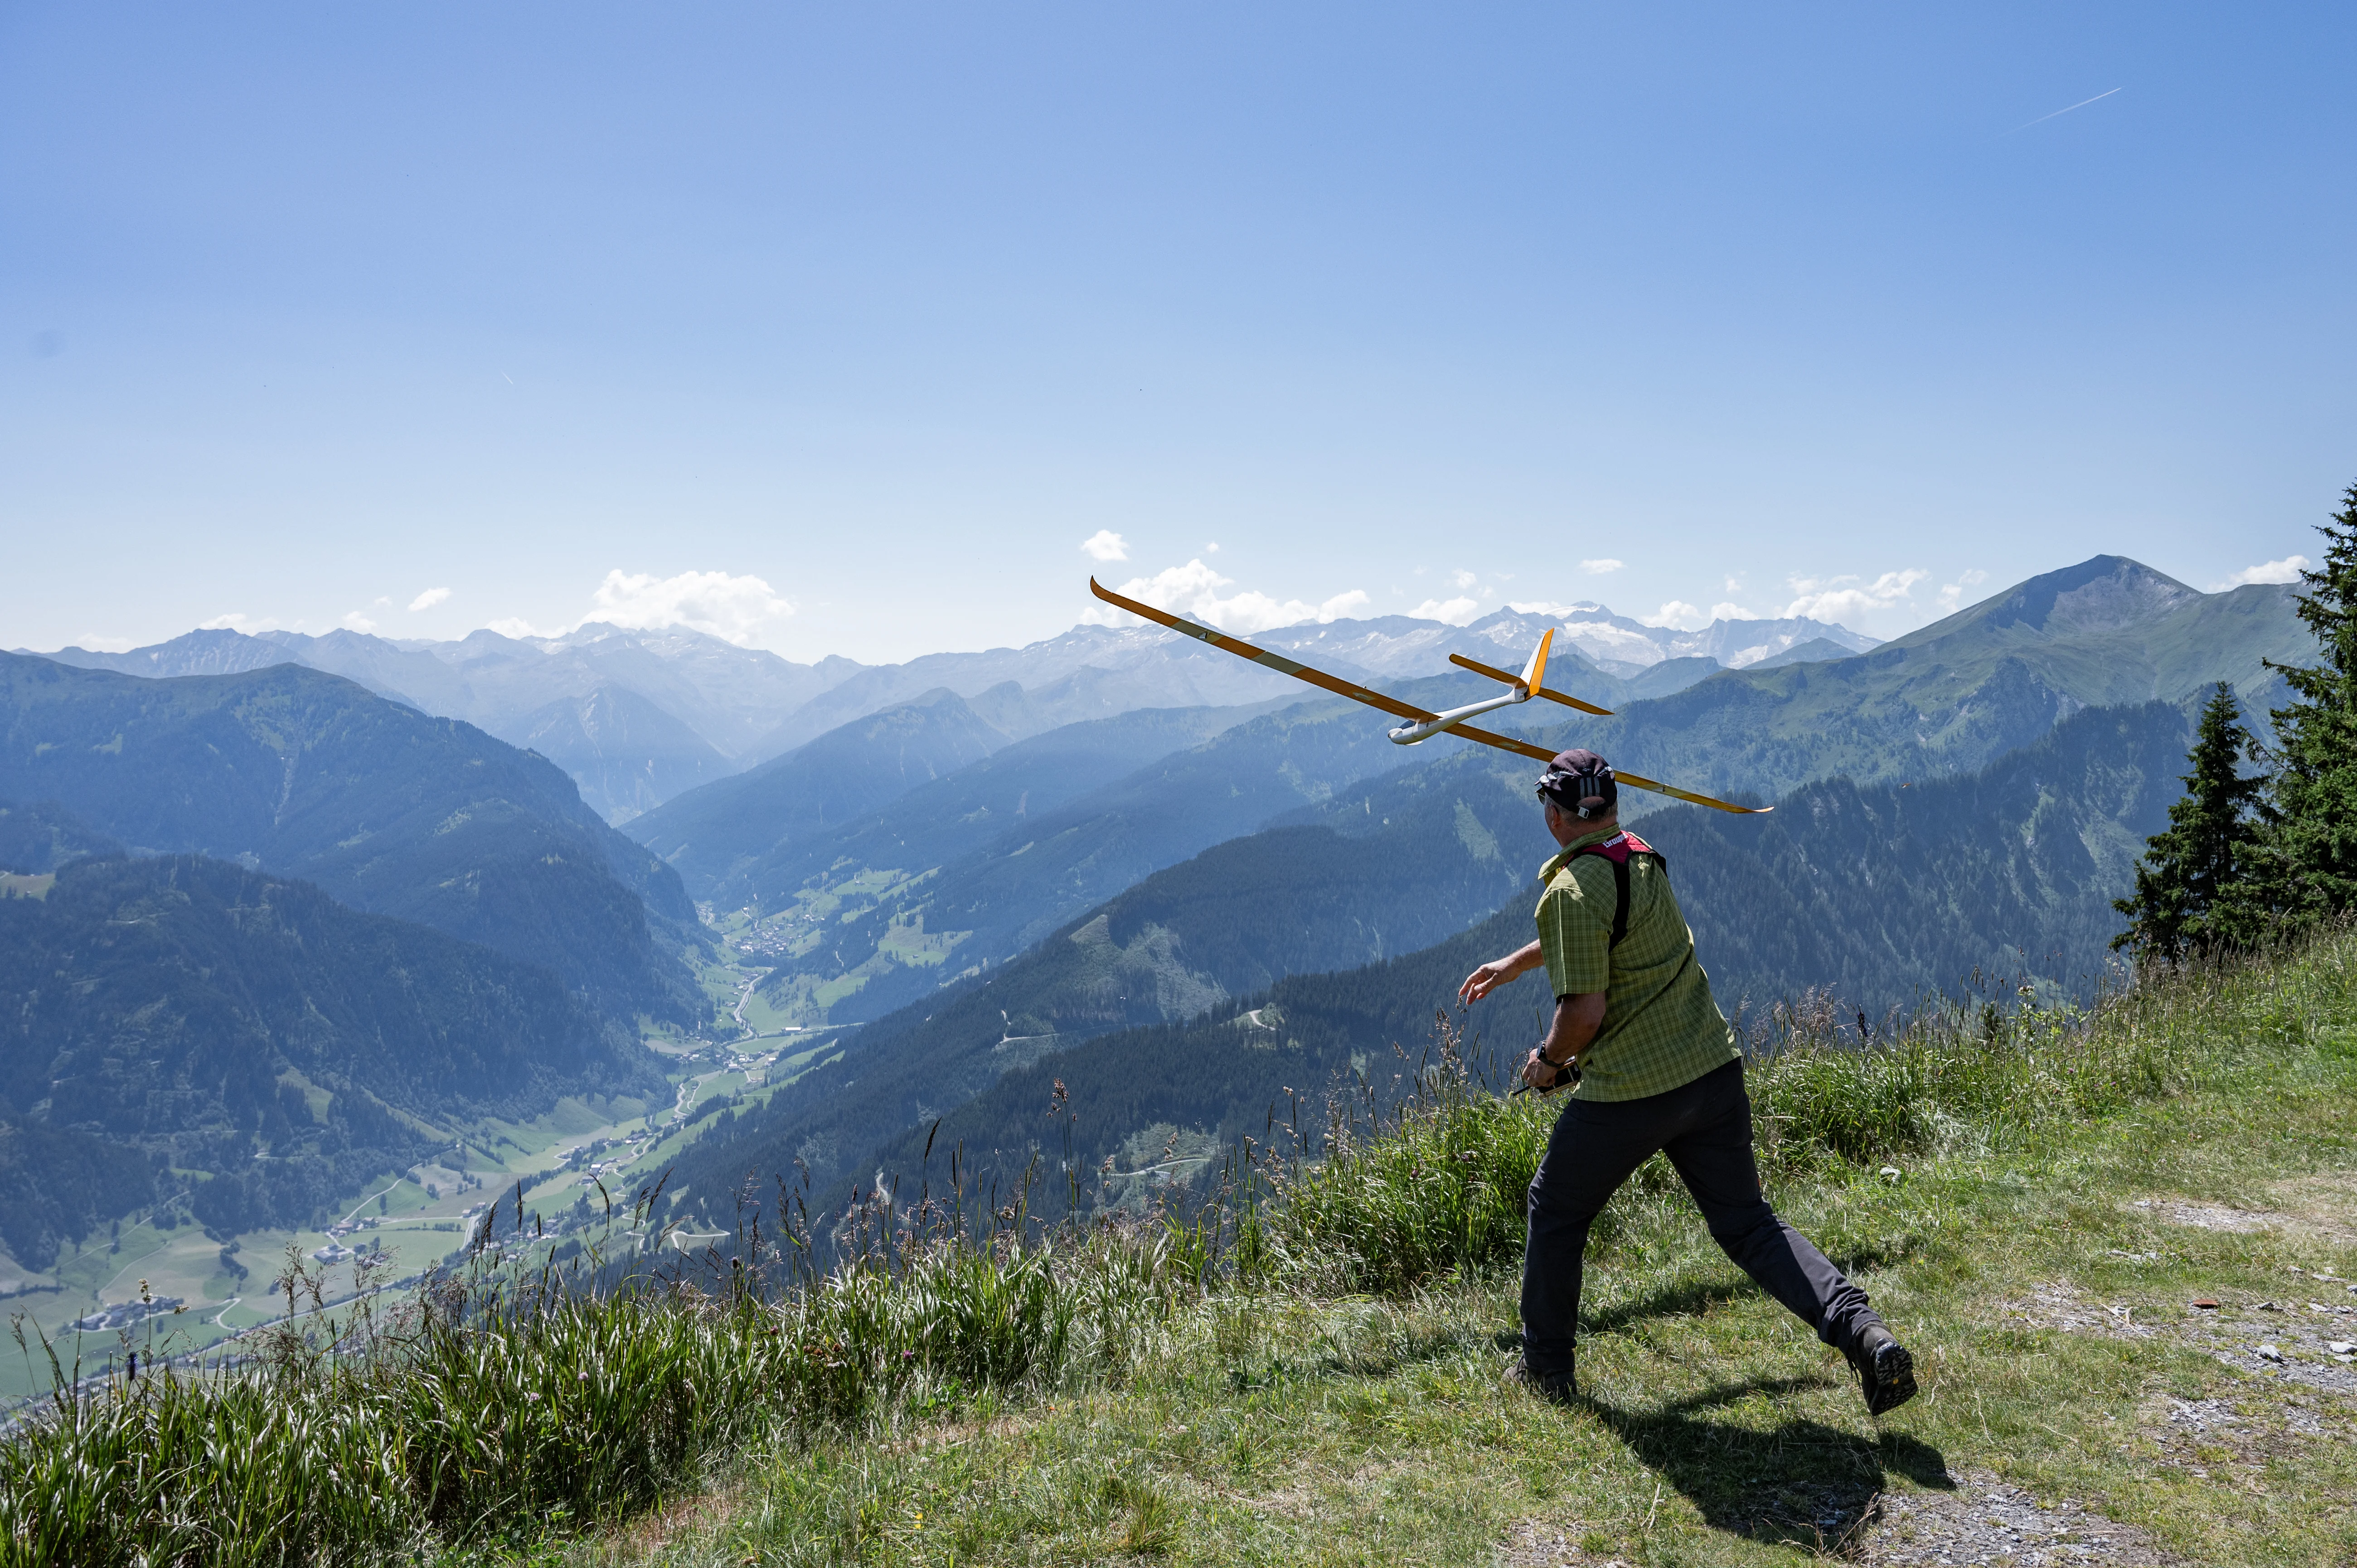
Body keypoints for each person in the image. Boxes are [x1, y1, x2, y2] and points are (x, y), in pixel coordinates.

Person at [1458, 749, 1916, 1414]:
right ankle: (1865, 1334)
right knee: (1749, 1224)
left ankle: (1545, 1371)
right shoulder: (1638, 855)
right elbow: (1607, 937)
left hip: (1632, 1095)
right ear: (1610, 808)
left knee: (1555, 1209)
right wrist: (1517, 963)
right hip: (1711, 1074)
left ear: (1554, 816)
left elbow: (1583, 1012)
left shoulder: (1568, 891)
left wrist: (1548, 1062)